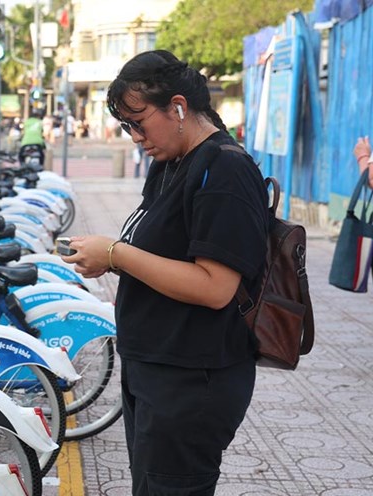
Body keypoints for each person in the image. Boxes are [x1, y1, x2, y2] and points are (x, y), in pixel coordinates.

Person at [60, 50, 269, 496]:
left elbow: (216, 287)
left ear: (177, 107)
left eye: (139, 122)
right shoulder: (172, 164)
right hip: (157, 372)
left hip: (192, 382)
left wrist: (115, 255)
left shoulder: (224, 170)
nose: (135, 137)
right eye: (125, 127)